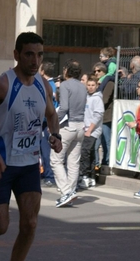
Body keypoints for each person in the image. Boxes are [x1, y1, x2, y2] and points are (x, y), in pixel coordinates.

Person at [0, 32, 61, 261]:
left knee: (30, 223)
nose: (35, 61)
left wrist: (55, 134)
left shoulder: (44, 86)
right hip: (3, 164)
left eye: (39, 55)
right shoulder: (4, 84)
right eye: (29, 54)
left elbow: (51, 114)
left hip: (29, 164)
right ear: (17, 55)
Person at [51, 59, 86, 208]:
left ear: (67, 71)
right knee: (73, 161)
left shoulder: (65, 85)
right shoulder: (82, 86)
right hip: (80, 125)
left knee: (55, 159)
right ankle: (70, 191)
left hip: (68, 125)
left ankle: (66, 192)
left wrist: (54, 122)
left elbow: (63, 107)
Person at [79, 76, 104, 189]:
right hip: (85, 128)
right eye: (88, 85)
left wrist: (89, 130)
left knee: (85, 152)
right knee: (91, 153)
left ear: (97, 86)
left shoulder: (97, 99)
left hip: (92, 130)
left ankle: (84, 175)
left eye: (93, 85)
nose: (90, 87)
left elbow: (98, 115)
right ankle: (91, 177)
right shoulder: (86, 97)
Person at [38, 61, 58, 187]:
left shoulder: (48, 86)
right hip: (47, 122)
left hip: (47, 123)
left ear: (43, 72)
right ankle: (46, 172)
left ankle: (49, 176)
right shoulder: (52, 85)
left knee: (46, 151)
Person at [93, 62, 114, 167]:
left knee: (106, 142)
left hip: (106, 117)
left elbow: (104, 100)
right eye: (95, 71)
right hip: (97, 117)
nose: (96, 73)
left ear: (104, 71)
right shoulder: (98, 83)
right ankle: (96, 165)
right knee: (95, 144)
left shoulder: (109, 82)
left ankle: (106, 164)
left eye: (99, 71)